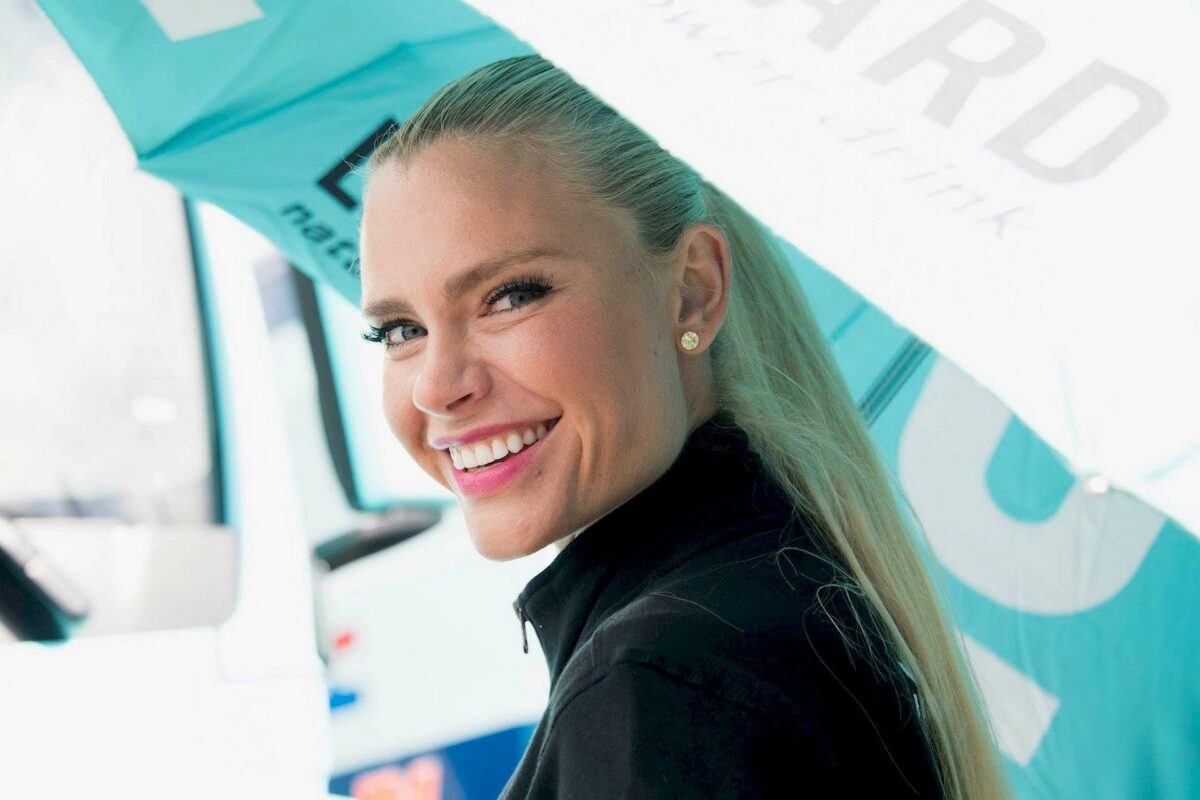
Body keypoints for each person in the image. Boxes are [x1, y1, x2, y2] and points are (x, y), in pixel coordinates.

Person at [356, 54, 1010, 799]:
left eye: (510, 296)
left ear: (694, 292)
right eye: (399, 330)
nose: (439, 387)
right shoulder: (770, 603)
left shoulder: (659, 682)